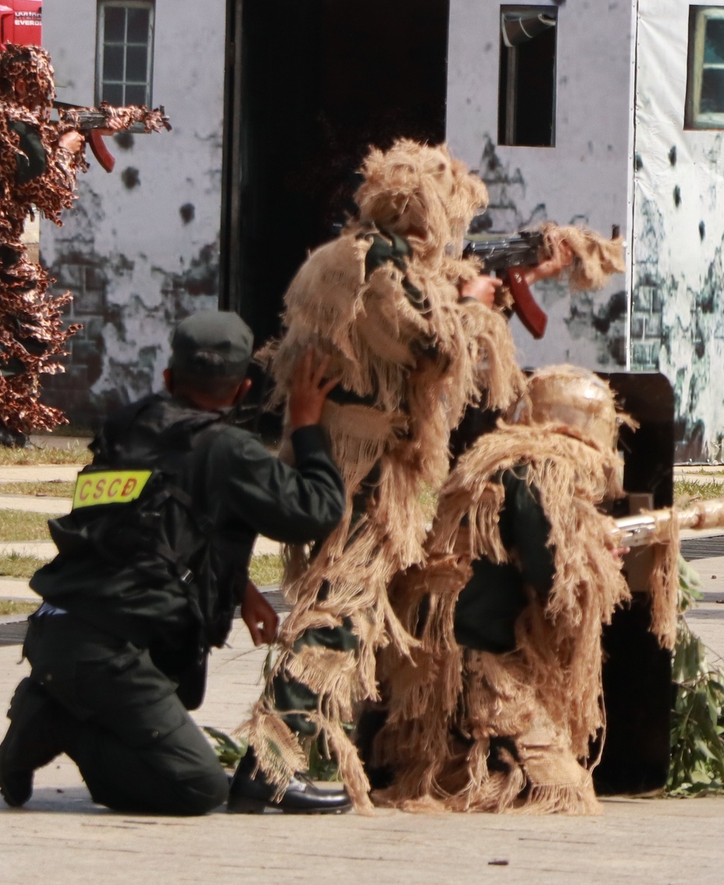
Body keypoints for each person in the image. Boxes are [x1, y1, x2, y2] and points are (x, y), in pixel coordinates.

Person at [237, 140, 611, 812]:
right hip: (361, 466)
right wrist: (475, 301)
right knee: (339, 614)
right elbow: (432, 344)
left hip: (354, 455)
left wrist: (529, 270)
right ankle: (269, 760)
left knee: (350, 608)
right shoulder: (372, 265)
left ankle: (299, 746)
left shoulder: (361, 255)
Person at [0, 311, 350, 816]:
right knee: (198, 789)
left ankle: (60, 705)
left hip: (57, 628)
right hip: (107, 649)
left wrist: (240, 588)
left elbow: (147, 534)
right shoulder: (226, 448)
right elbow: (315, 511)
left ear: (167, 378)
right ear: (243, 388)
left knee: (176, 700)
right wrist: (308, 424)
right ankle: (60, 722)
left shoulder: (129, 424)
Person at [374, 366, 672, 815]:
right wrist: (599, 564)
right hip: (472, 659)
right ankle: (477, 765)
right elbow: (554, 575)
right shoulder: (541, 470)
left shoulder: (493, 458)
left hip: (435, 650)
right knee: (563, 790)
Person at [0, 46, 153, 446]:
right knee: (36, 334)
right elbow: (48, 190)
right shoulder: (15, 121)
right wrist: (68, 146)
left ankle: (7, 430)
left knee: (1, 334)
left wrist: (69, 132)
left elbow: (11, 161)